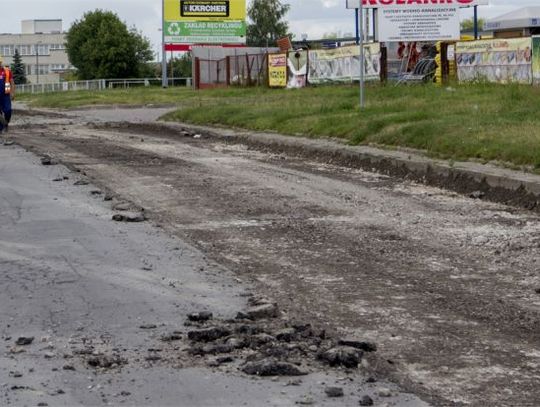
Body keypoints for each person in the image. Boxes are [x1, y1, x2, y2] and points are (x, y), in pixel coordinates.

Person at [0, 56, 15, 144]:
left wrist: (12, 93)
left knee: (8, 110)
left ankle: (6, 123)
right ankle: (1, 128)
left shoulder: (7, 71)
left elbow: (12, 82)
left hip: (5, 95)